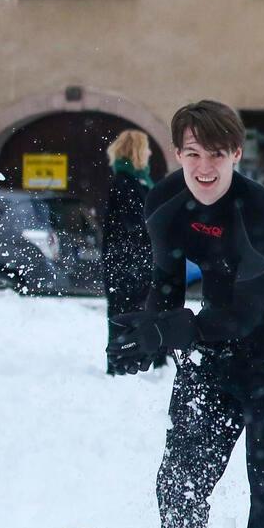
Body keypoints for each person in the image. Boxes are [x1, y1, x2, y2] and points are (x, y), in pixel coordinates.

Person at [112, 101, 264, 528]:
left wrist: (178, 329)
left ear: (236, 155)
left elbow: (245, 314)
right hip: (213, 349)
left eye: (217, 155)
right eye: (193, 154)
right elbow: (168, 276)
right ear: (178, 152)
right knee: (182, 474)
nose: (204, 169)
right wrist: (150, 329)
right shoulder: (164, 200)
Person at [102, 129, 162, 375]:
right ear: (137, 151)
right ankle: (121, 364)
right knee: (124, 313)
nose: (149, 153)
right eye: (146, 148)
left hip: (136, 260)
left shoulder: (139, 181)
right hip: (126, 263)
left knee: (139, 310)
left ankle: (142, 360)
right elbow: (135, 223)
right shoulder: (124, 182)